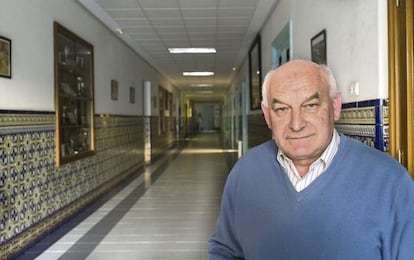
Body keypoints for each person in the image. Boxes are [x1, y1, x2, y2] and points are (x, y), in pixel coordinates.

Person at [208, 60, 414, 259]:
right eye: (282, 109)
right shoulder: (245, 172)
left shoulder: (391, 182)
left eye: (311, 106)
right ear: (267, 115)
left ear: (335, 107)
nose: (296, 124)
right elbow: (225, 249)